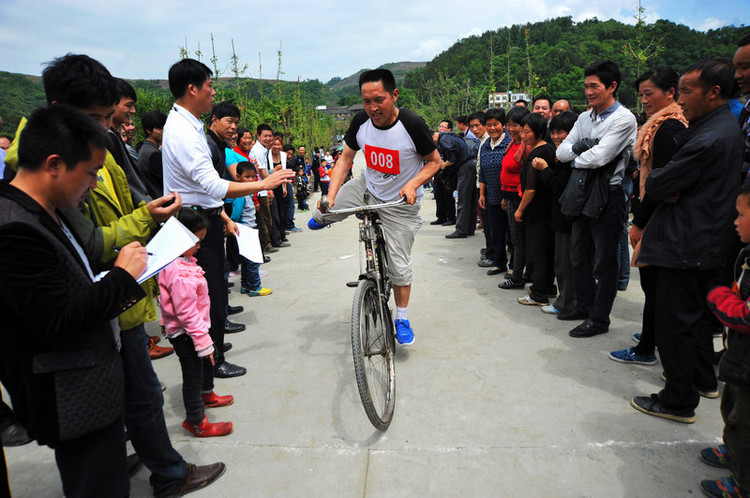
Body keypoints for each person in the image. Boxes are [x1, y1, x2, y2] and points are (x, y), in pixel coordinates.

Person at [0, 104, 148, 496]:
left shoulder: (46, 209)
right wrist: (121, 277)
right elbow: (56, 321)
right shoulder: (14, 228)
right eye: (91, 172)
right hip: (72, 398)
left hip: (89, 390)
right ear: (54, 164)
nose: (95, 184)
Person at [162, 58, 293, 379]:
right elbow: (210, 185)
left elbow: (202, 187)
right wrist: (263, 183)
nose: (213, 91)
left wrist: (221, 215)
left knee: (213, 289)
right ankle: (212, 360)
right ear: (192, 89)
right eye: (209, 86)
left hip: (203, 215)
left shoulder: (187, 125)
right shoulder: (184, 132)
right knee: (208, 293)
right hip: (192, 222)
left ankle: (214, 349)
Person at [631, 57, 743, 424]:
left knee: (675, 324)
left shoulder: (708, 136)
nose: (681, 99)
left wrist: (663, 181)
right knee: (694, 319)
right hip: (702, 238)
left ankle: (677, 400)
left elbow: (660, 183)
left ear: (714, 92)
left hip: (684, 242)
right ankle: (702, 380)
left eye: (686, 91)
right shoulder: (717, 127)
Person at [309, 68, 441, 345]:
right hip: (366, 189)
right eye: (366, 101)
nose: (372, 108)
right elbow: (345, 159)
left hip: (399, 203)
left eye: (378, 100)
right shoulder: (360, 121)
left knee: (399, 268)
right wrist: (331, 196)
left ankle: (402, 317)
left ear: (394, 95)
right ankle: (327, 217)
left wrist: (413, 185)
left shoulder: (412, 124)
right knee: (320, 212)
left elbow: (434, 161)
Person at [608, 66, 687, 366]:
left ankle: (646, 351)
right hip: (655, 212)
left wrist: (639, 222)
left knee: (653, 285)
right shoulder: (658, 125)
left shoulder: (669, 129)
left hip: (659, 216)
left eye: (649, 93)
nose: (644, 100)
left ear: (671, 93)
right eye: (641, 95)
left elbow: (660, 184)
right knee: (653, 285)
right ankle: (650, 336)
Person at [556, 60, 637, 337]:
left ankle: (600, 319)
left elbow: (601, 157)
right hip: (581, 194)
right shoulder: (583, 118)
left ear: (612, 86)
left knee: (604, 261)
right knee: (578, 256)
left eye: (594, 86)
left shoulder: (624, 119)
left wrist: (579, 155)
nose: (589, 92)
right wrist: (582, 149)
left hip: (609, 196)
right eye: (586, 86)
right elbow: (561, 153)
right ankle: (584, 306)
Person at [159, 207, 234, 438]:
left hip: (198, 328)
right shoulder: (179, 272)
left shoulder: (183, 260)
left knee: (206, 366)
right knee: (193, 374)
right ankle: (196, 420)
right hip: (187, 333)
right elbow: (186, 312)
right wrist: (203, 344)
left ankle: (207, 395)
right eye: (196, 241)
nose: (200, 246)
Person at [700, 183, 750, 498]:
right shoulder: (746, 254)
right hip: (738, 356)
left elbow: (744, 315)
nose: (735, 220)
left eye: (742, 215)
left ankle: (743, 481)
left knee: (744, 422)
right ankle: (731, 449)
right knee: (730, 406)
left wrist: (719, 298)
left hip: (748, 363)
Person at [530, 110, 578, 315]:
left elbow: (560, 186)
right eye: (555, 132)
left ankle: (566, 303)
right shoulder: (560, 155)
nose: (557, 137)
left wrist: (544, 169)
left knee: (565, 264)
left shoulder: (570, 159)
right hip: (559, 216)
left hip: (567, 217)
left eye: (562, 132)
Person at [514, 113, 557, 306]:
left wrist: (520, 210)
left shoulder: (536, 154)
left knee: (537, 251)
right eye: (522, 131)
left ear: (539, 132)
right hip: (548, 209)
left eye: (527, 131)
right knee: (547, 251)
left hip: (538, 210)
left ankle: (538, 293)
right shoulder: (548, 149)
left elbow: (530, 189)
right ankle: (547, 286)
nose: (523, 135)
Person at [498, 106, 531, 289]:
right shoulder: (512, 143)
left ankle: (517, 277)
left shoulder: (525, 146)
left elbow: (527, 177)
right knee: (515, 238)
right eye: (508, 125)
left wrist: (519, 203)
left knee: (519, 239)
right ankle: (519, 272)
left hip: (519, 198)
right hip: (509, 196)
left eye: (515, 125)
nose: (511, 129)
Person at [230, 161, 273, 296]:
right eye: (246, 177)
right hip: (246, 229)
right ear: (238, 177)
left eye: (253, 177)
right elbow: (236, 213)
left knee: (246, 260)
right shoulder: (240, 194)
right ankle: (255, 286)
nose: (250, 180)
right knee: (253, 260)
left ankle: (245, 285)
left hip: (246, 229)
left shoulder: (246, 192)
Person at [477, 108, 512, 275]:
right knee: (495, 231)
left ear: (503, 125)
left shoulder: (510, 143)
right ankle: (499, 263)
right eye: (489, 125)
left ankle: (515, 268)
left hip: (509, 196)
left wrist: (506, 196)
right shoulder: (485, 145)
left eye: (496, 124)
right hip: (491, 195)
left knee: (512, 234)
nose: (492, 128)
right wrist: (482, 194)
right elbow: (482, 172)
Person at [436, 127, 474, 239]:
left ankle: (461, 230)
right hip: (470, 164)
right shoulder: (450, 136)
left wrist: (444, 164)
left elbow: (452, 157)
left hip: (465, 167)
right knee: (470, 199)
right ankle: (469, 228)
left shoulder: (444, 140)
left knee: (462, 199)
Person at [137, 110, 168, 199]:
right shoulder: (154, 154)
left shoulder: (144, 148)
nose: (163, 131)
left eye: (164, 127)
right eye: (159, 128)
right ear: (148, 130)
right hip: (159, 199)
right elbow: (163, 181)